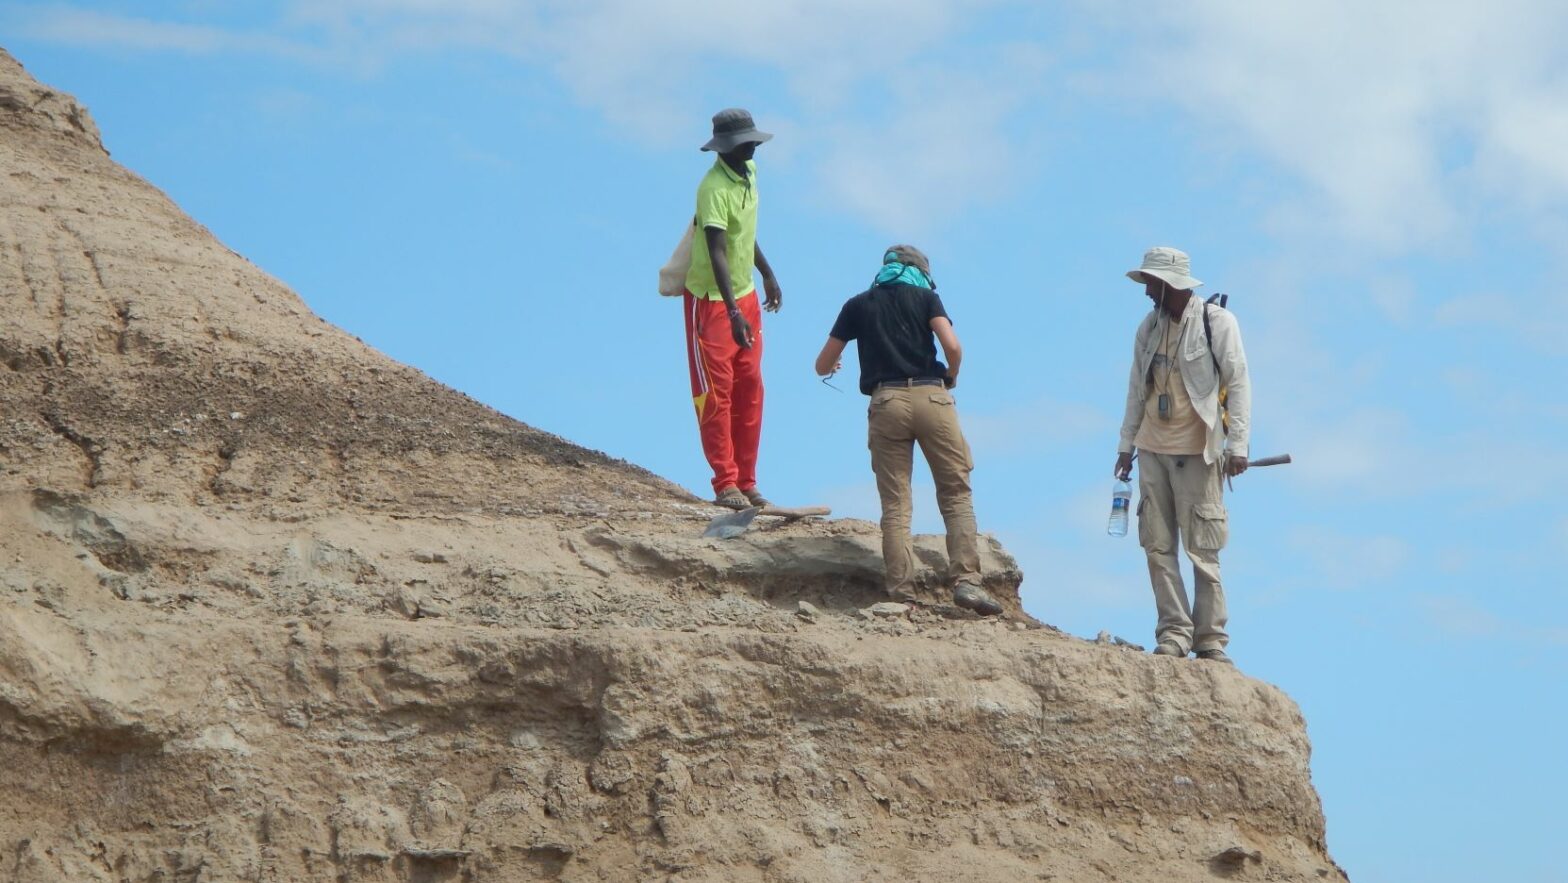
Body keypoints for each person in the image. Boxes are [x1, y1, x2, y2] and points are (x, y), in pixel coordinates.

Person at [814, 246, 1002, 616]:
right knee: (955, 492)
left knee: (896, 502)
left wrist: (835, 363)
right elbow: (952, 346)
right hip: (933, 397)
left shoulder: (858, 304)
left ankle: (902, 592)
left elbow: (822, 364)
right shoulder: (926, 297)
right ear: (920, 271)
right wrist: (952, 375)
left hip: (886, 402)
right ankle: (966, 582)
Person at [1114, 246, 1251, 663]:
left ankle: (1210, 640)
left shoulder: (1217, 324)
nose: (1146, 293)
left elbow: (1239, 382)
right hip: (1152, 450)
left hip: (1199, 453)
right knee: (1157, 547)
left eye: (1152, 284)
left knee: (1203, 551)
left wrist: (1238, 446)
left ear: (1170, 284)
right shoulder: (1147, 329)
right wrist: (1125, 446)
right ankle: (1174, 633)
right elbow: (1136, 390)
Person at [683, 108, 784, 510]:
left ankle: (747, 479)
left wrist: (767, 273)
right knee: (716, 395)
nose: (754, 147)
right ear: (726, 148)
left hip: (743, 296)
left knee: (751, 390)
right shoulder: (712, 189)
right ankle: (726, 483)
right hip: (711, 302)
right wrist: (733, 312)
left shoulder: (749, 174)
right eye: (747, 142)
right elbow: (718, 250)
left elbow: (746, 234)